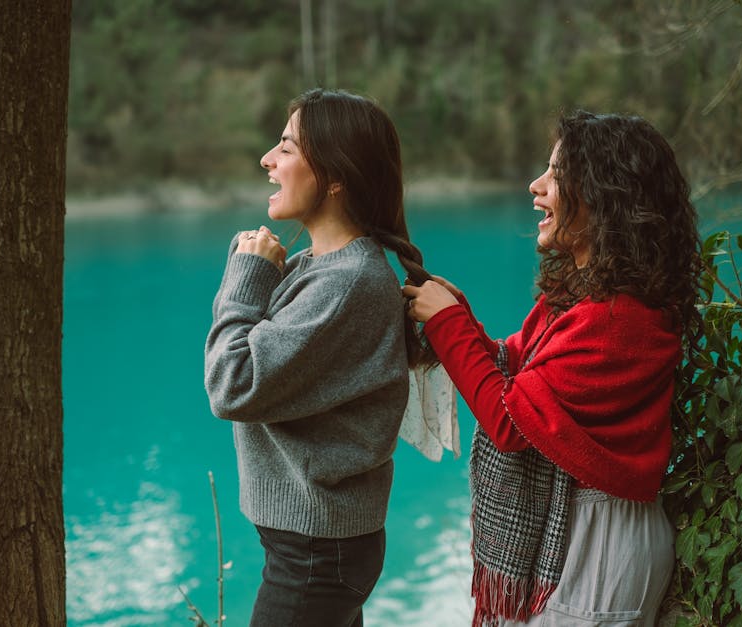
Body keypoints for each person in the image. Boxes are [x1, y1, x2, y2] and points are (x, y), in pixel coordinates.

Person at [402, 110, 703, 626]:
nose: (535, 187)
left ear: (606, 197)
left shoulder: (621, 319)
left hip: (600, 544)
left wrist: (450, 326)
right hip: (580, 527)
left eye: (556, 175)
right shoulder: (580, 301)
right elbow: (518, 370)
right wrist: (461, 320)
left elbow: (511, 419)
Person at [204, 88, 432, 627]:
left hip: (315, 552)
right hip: (313, 546)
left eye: (285, 146)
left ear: (335, 176)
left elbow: (232, 383)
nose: (267, 159)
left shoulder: (348, 283)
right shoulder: (318, 269)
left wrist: (245, 277)